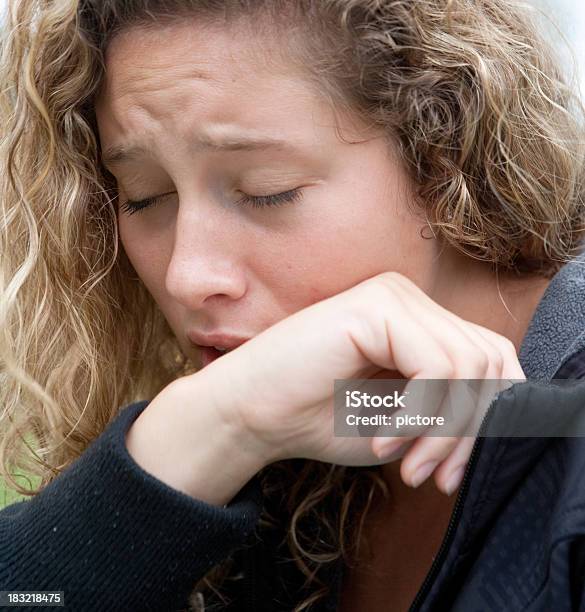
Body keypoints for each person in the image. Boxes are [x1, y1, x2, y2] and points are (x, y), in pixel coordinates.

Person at [1, 0, 585, 610]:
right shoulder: (292, 438)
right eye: (145, 197)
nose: (186, 275)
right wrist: (209, 433)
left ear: (444, 155)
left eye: (265, 192)